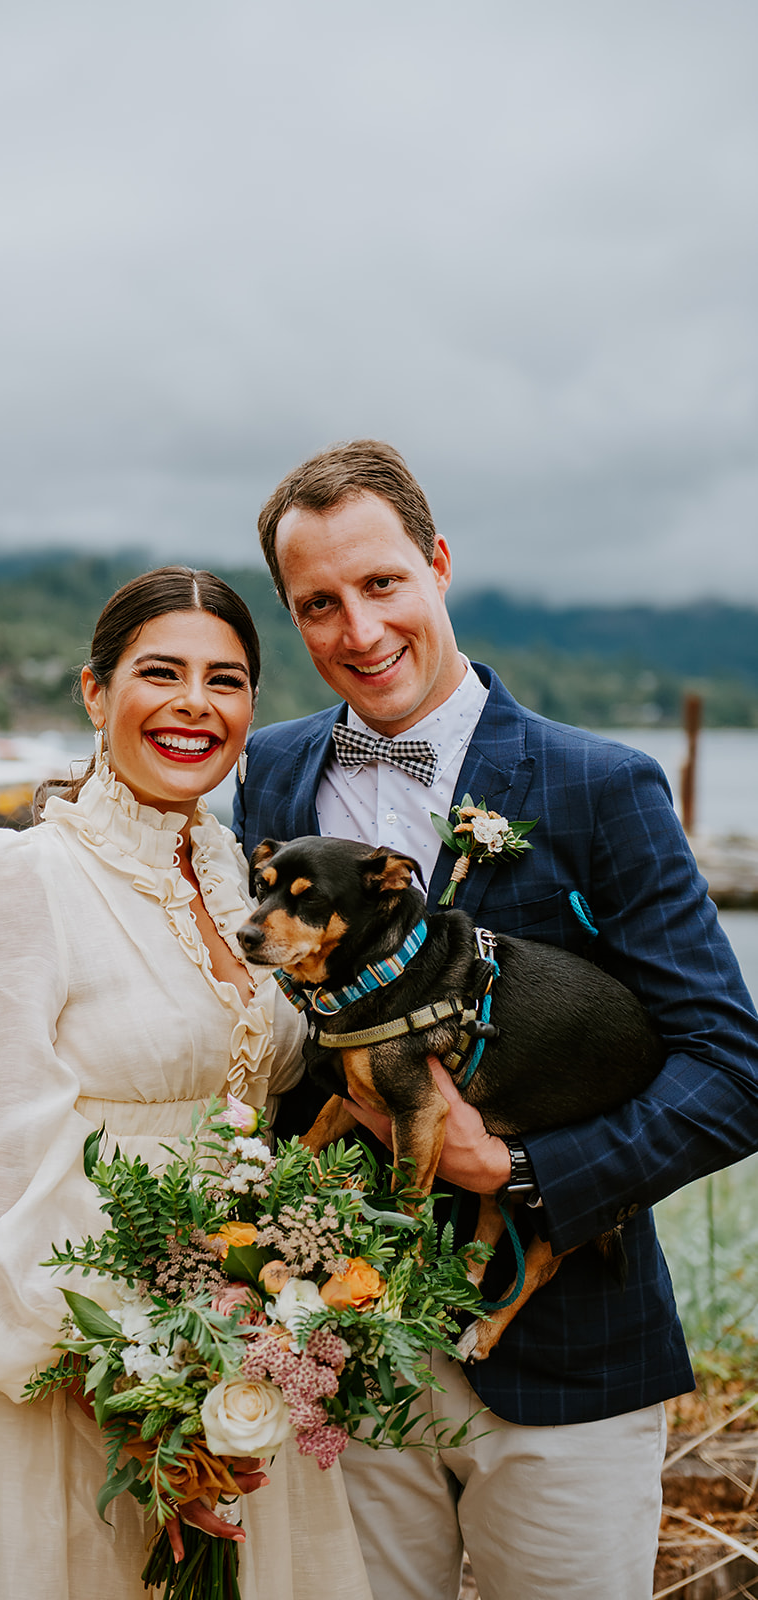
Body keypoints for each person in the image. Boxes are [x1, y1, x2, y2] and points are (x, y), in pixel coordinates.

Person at [232, 440, 758, 1600]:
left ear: (437, 564)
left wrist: (517, 1167)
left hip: (563, 1356)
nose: (357, 631)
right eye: (317, 605)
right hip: (342, 1362)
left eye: (379, 585)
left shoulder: (598, 785)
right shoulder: (266, 777)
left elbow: (731, 1069)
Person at [0, 567, 372, 1600]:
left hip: (235, 1356)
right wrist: (143, 1379)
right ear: (95, 692)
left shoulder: (240, 881)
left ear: (250, 710)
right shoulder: (15, 876)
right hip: (59, 1366)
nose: (193, 704)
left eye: (224, 680)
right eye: (159, 672)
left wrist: (257, 1335)